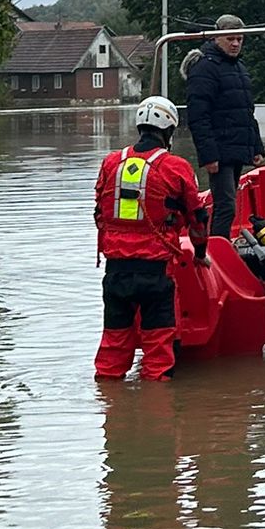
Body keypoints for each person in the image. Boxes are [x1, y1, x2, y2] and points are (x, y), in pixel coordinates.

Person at [94, 95, 209, 382]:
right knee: (158, 357)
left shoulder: (111, 163)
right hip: (155, 273)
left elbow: (99, 212)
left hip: (116, 272)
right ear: (169, 130)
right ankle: (155, 418)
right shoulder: (176, 167)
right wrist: (200, 251)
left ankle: (111, 408)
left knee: (112, 348)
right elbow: (198, 219)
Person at [182, 14, 265, 245]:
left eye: (240, 39)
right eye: (231, 39)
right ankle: (217, 250)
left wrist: (256, 147)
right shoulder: (205, 68)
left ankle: (221, 245)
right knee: (225, 205)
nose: (236, 44)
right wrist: (209, 156)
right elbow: (198, 116)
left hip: (237, 144)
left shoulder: (238, 67)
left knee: (229, 202)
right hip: (219, 150)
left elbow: (246, 111)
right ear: (217, 38)